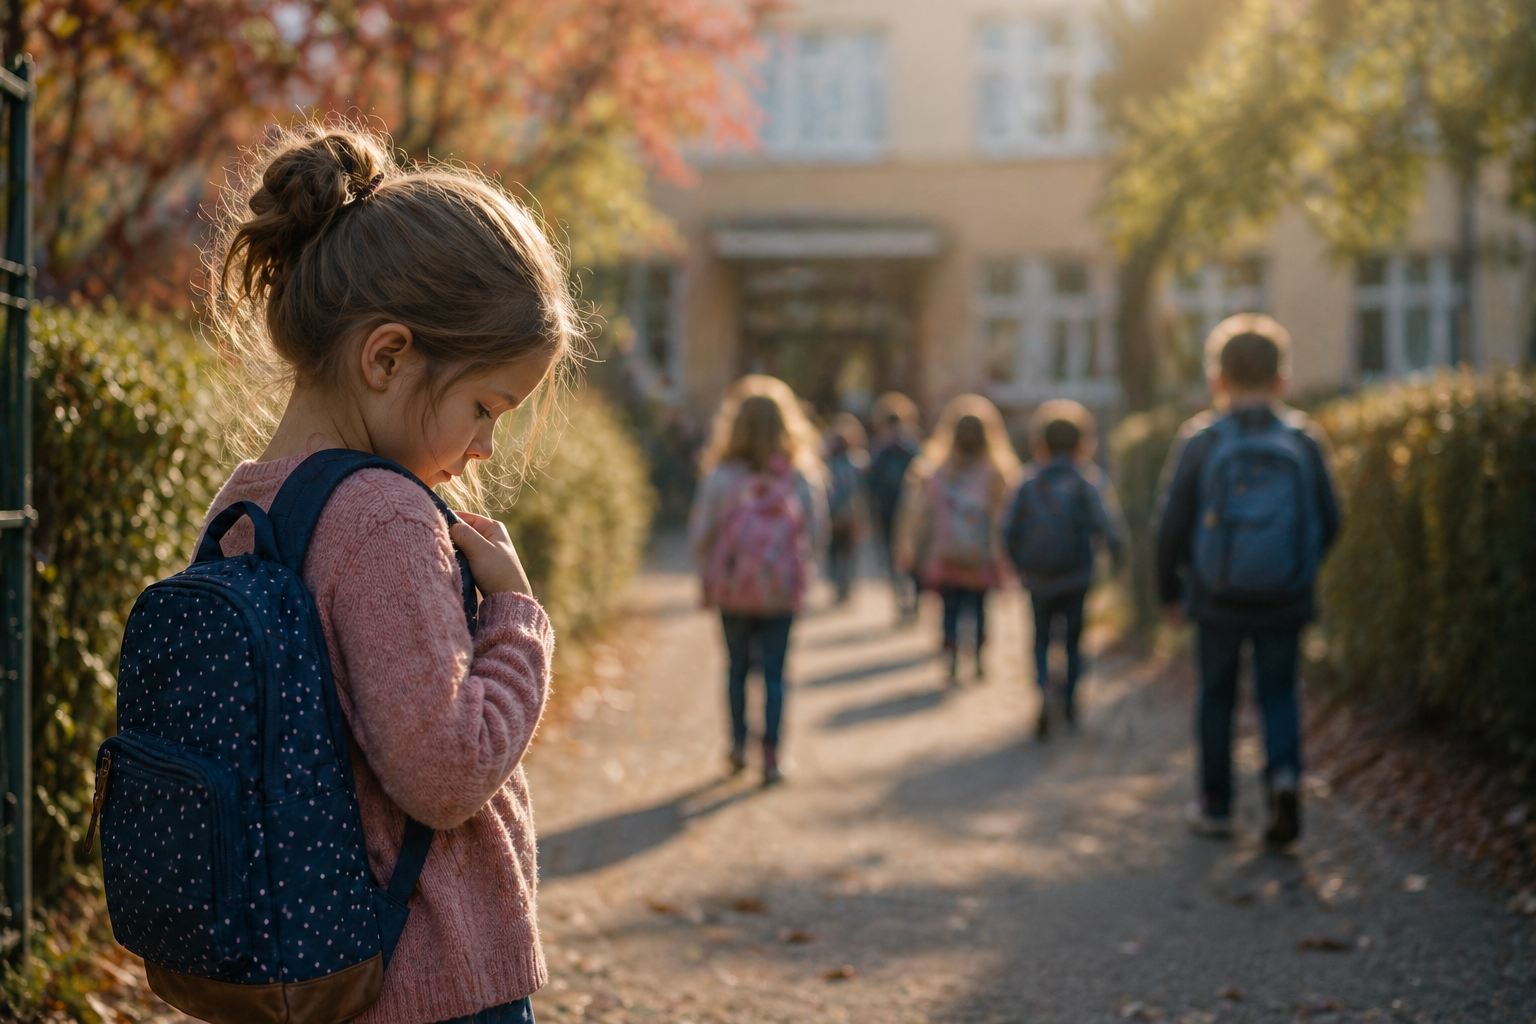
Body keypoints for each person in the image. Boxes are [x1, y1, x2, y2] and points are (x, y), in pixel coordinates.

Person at [203, 125, 577, 1023]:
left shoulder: (245, 502)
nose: (486, 443)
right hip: (422, 983)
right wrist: (518, 616)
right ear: (387, 356)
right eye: (485, 406)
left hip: (299, 963)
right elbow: (445, 772)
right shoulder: (385, 517)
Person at [1155, 313, 1341, 845]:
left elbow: (1170, 525)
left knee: (1216, 696)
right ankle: (1283, 776)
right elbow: (1331, 518)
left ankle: (1216, 806)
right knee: (1278, 692)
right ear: (1283, 379)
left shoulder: (1202, 441)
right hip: (1286, 596)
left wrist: (1170, 591)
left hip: (1217, 597)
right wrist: (1300, 567)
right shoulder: (1304, 440)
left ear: (1218, 380)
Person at [689, 375, 828, 785]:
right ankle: (772, 756)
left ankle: (736, 747)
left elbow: (701, 534)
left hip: (733, 590)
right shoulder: (802, 475)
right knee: (775, 673)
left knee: (735, 668)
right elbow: (817, 534)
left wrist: (709, 574)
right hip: (781, 590)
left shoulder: (722, 476)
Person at [1004, 400, 1126, 739]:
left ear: (1039, 443)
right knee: (1073, 642)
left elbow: (1009, 530)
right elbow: (1108, 527)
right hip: (1077, 576)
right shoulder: (1087, 481)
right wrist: (1116, 563)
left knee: (1041, 639)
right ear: (1083, 443)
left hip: (1039, 577)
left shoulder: (1028, 483)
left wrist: (1019, 567)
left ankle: (1045, 690)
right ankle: (1070, 703)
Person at [898, 394, 1022, 684]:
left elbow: (921, 514)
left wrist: (913, 549)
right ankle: (978, 655)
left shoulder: (937, 471)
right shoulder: (996, 472)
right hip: (981, 555)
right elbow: (1006, 515)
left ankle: (950, 653)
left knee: (950, 607)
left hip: (946, 553)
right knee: (978, 607)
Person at [865, 392, 923, 620]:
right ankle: (912, 600)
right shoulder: (912, 446)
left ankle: (901, 600)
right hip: (909, 509)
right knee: (911, 556)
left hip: (890, 510)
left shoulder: (881, 449)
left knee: (893, 557)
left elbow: (870, 482)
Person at [824, 412, 870, 604]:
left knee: (835, 551)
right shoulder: (857, 462)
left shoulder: (827, 464)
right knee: (848, 552)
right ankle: (846, 585)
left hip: (833, 514)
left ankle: (838, 584)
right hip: (850, 514)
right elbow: (861, 492)